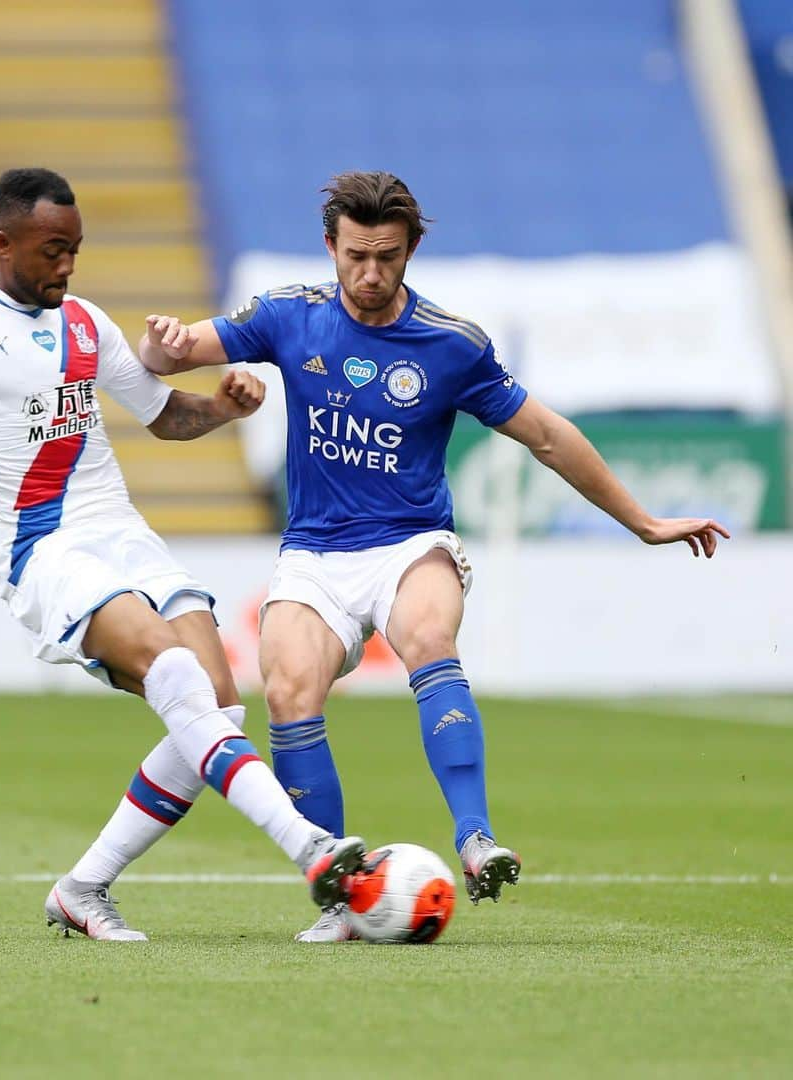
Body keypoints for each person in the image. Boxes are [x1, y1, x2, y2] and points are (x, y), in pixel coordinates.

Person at [136, 170, 731, 942]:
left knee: (427, 637)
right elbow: (165, 359)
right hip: (314, 553)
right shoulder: (289, 315)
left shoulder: (453, 345)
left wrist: (643, 522)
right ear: (331, 247)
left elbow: (547, 435)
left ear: (412, 247)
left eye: (387, 256)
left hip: (412, 541)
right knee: (286, 690)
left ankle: (476, 836)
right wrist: (161, 344)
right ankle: (341, 894)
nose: (371, 273)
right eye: (356, 256)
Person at [0, 166, 366, 942]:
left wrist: (224, 408)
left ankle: (82, 887)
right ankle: (311, 849)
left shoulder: (86, 324)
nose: (67, 267)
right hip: (45, 551)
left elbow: (164, 416)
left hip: (127, 538)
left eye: (76, 250)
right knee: (171, 672)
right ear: (3, 244)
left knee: (217, 705)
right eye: (52, 251)